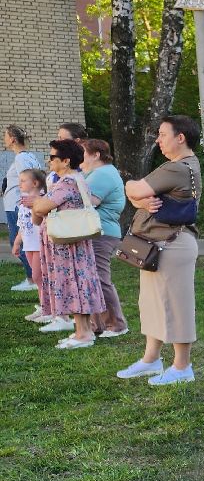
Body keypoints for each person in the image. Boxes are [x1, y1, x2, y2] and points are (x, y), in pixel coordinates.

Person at [117, 115, 203, 385]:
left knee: (177, 306)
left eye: (163, 134)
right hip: (160, 244)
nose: (158, 140)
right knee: (152, 303)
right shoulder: (179, 166)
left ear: (181, 138)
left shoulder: (176, 169)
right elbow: (136, 194)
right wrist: (141, 202)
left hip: (172, 244)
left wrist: (136, 194)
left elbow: (133, 186)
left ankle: (182, 367)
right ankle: (151, 359)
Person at [29, 138, 106, 350]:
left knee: (74, 284)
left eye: (53, 157)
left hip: (69, 247)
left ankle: (84, 334)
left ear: (66, 161)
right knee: (73, 283)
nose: (49, 160)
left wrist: (36, 202)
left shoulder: (68, 182)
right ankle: (82, 330)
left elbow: (42, 207)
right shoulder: (72, 180)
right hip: (67, 244)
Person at [80, 139, 129, 339]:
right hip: (96, 231)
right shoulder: (95, 173)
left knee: (100, 279)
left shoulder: (104, 173)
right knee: (91, 279)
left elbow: (89, 201)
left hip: (102, 232)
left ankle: (117, 324)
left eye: (82, 153)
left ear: (96, 154)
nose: (79, 158)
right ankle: (98, 324)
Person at [4, 125, 41, 291]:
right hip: (18, 204)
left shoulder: (21, 159)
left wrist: (26, 202)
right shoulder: (28, 156)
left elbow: (29, 180)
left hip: (17, 206)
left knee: (19, 241)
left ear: (12, 139)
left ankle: (33, 279)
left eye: (5, 136)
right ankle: (35, 277)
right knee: (24, 241)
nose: (4, 139)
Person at [9, 168, 46, 305]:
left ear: (35, 183)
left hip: (39, 244)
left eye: (23, 181)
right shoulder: (23, 203)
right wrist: (17, 243)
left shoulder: (43, 199)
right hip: (29, 244)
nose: (20, 184)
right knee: (37, 278)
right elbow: (22, 225)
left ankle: (48, 308)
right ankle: (44, 307)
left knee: (38, 277)